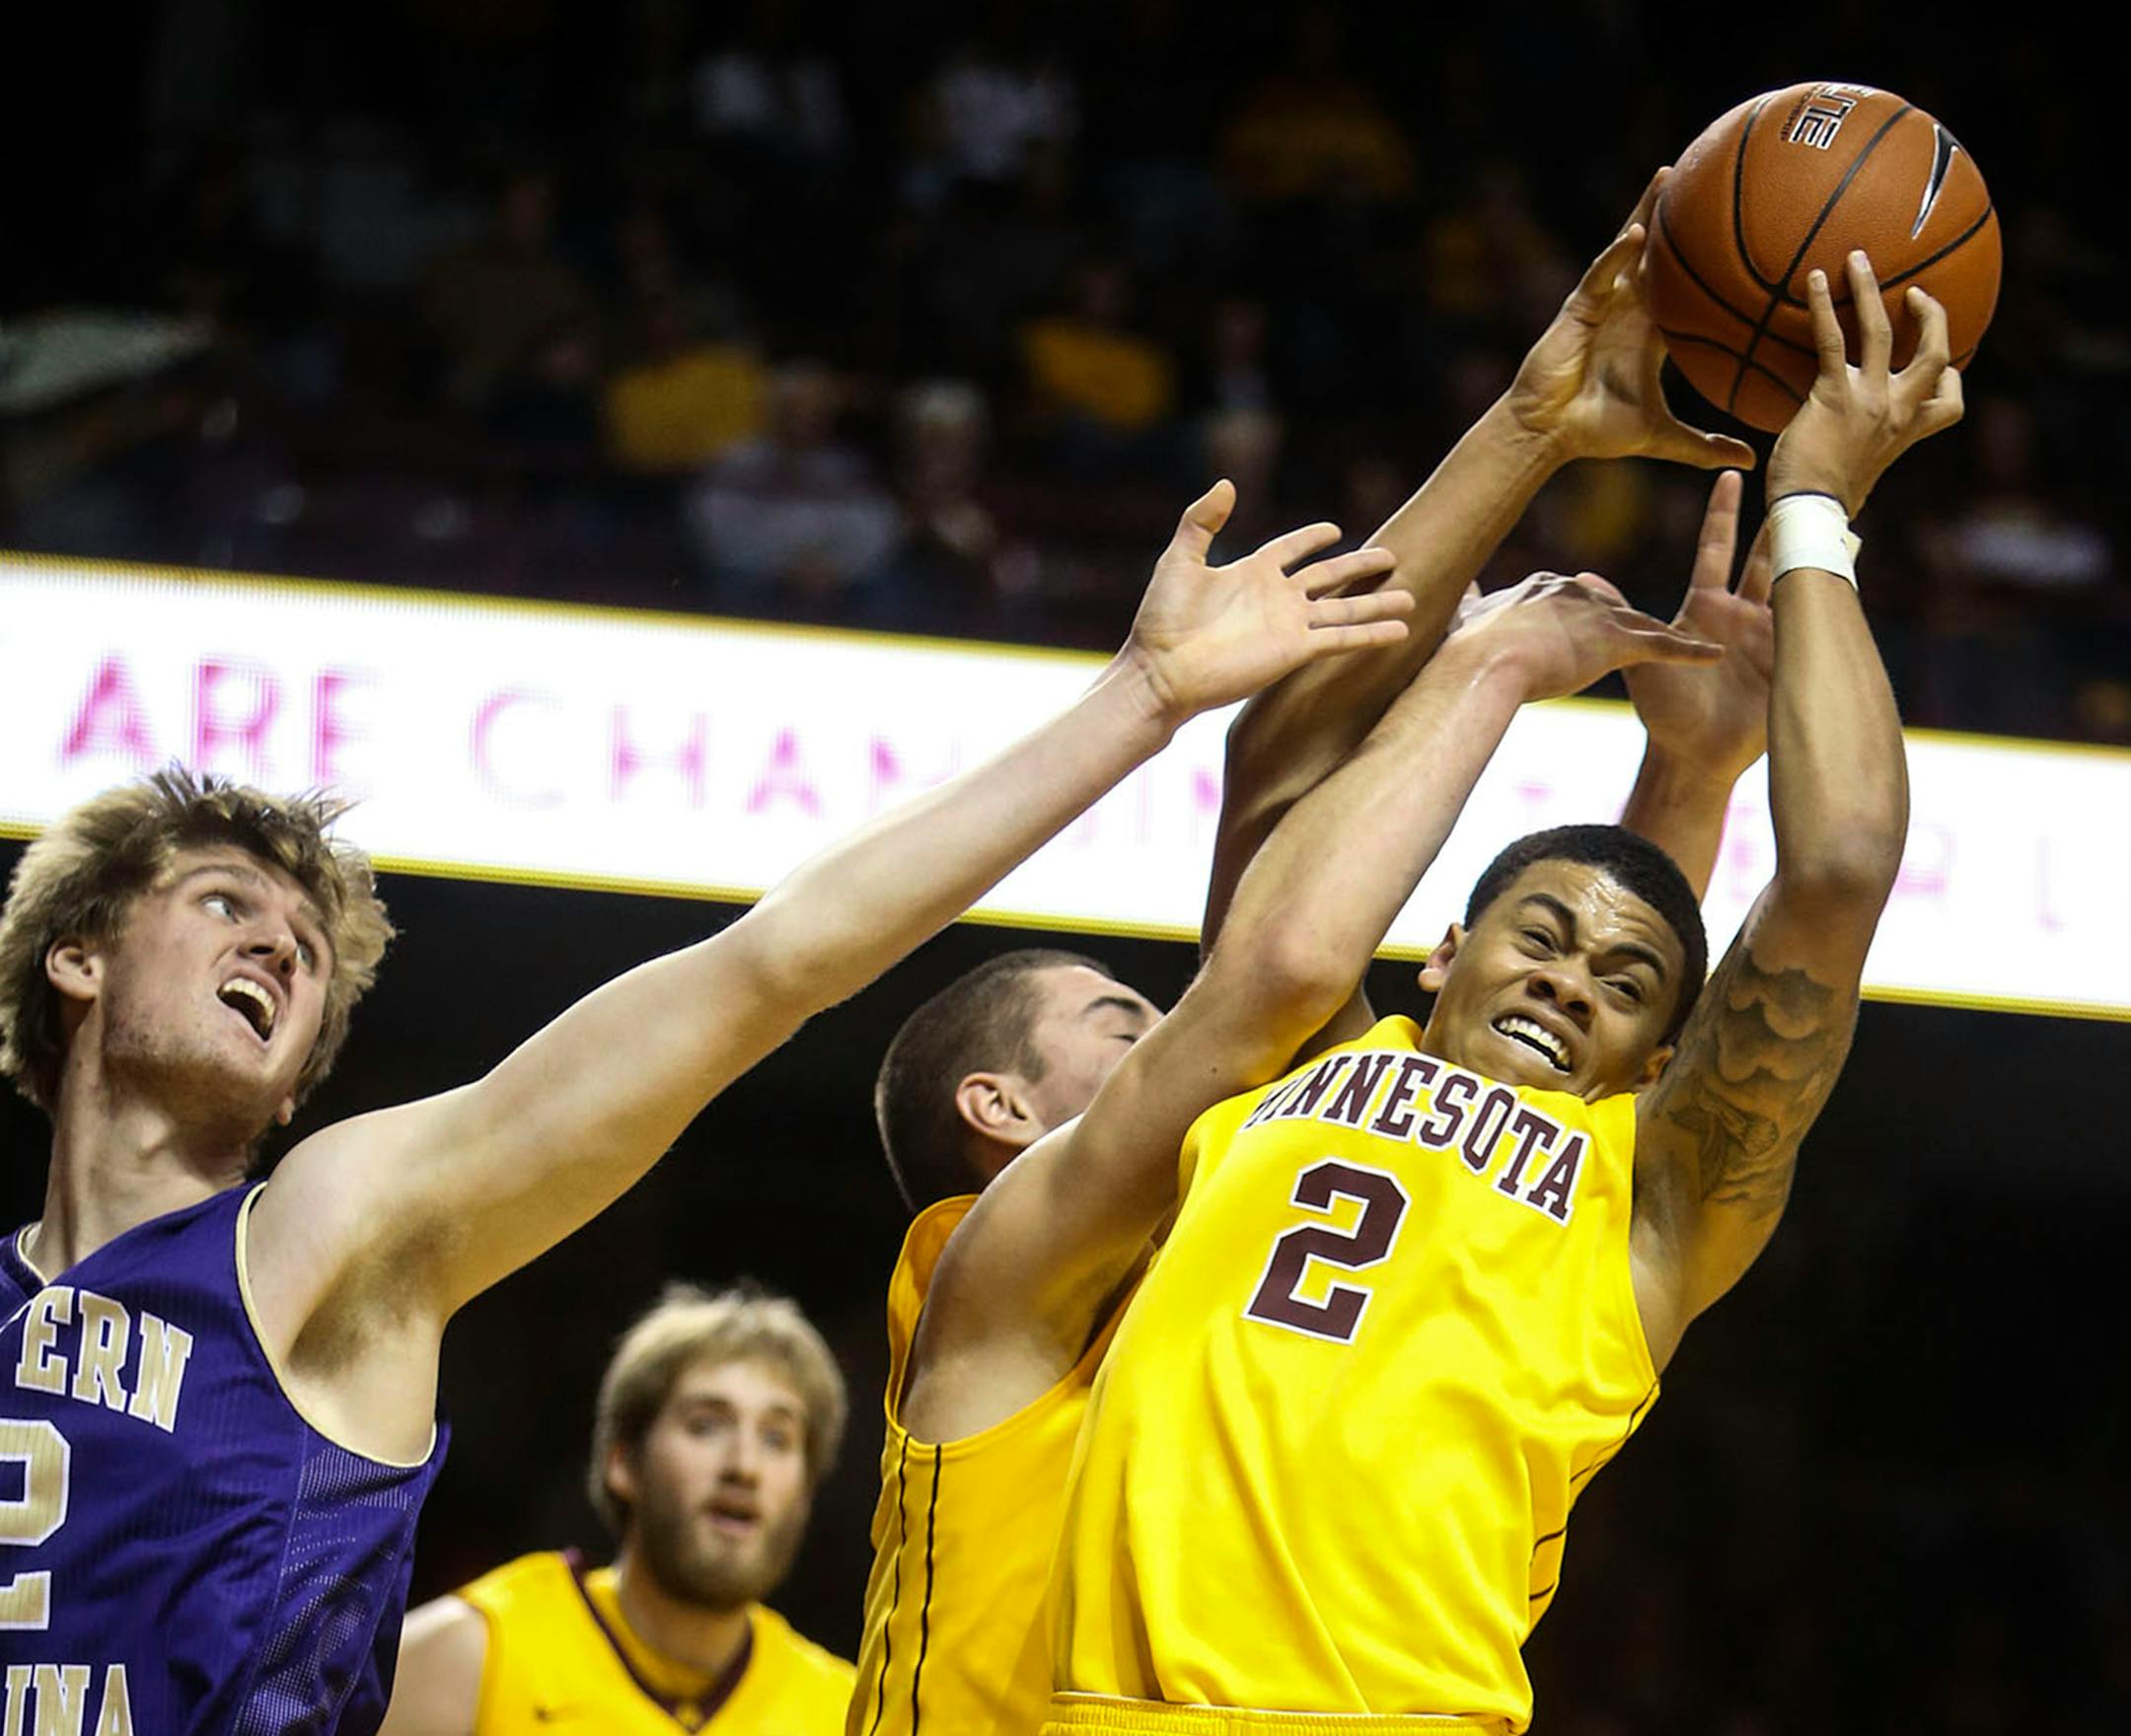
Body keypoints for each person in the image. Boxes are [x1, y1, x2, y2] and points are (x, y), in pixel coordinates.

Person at [0, 484, 1411, 1735]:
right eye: (224, 905)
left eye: (308, 950)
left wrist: (1145, 698)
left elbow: (767, 967)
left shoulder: (327, 1231)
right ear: (79, 954)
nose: (279, 949)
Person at [846, 174, 1765, 1736]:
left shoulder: (1278, 1206)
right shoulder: (992, 1271)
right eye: (1126, 1017)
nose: (1179, 1027)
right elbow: (1277, 874)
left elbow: (1552, 1107)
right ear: (1001, 1115)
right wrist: (1487, 661)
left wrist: (1681, 764)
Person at [1039, 254, 1961, 1734]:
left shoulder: (1652, 1201)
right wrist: (1533, 425)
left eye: (1622, 985)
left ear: (1656, 1059)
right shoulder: (1289, 1044)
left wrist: (1816, 512)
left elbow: (1840, 866)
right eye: (1536, 937)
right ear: (1439, 954)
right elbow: (1288, 744)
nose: (1567, 980)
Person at [382, 1284, 852, 1733]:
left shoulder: (849, 1712)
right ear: (623, 1462)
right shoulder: (475, 1653)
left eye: (777, 1438)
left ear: (805, 1492)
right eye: (706, 1425)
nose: (745, 1466)